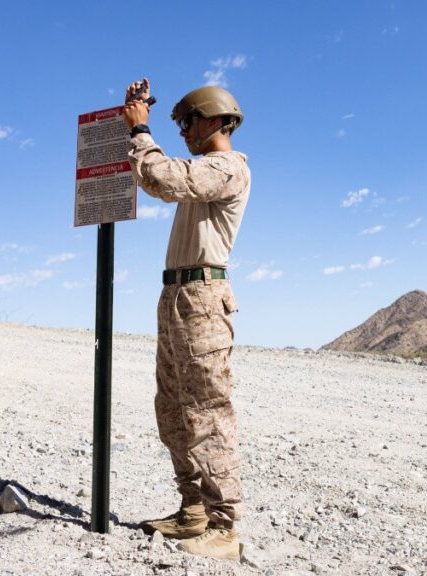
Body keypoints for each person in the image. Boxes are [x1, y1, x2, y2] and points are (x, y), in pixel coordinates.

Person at [121, 79, 251, 561]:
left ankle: (224, 525)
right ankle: (193, 507)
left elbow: (164, 179)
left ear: (216, 120)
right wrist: (137, 111)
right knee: (173, 407)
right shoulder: (205, 167)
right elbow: (167, 174)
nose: (184, 132)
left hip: (202, 296)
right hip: (177, 293)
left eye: (188, 122)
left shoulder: (228, 168)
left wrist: (141, 131)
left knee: (206, 412)